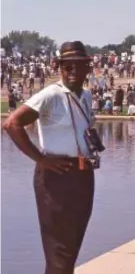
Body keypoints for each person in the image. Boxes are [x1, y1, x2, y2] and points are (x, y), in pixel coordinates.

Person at [3, 41, 97, 274]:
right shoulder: (51, 95)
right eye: (67, 66)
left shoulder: (85, 95)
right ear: (59, 68)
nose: (72, 71)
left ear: (88, 68)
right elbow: (12, 123)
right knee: (59, 250)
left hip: (83, 174)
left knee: (72, 245)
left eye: (78, 65)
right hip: (57, 175)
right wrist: (40, 159)